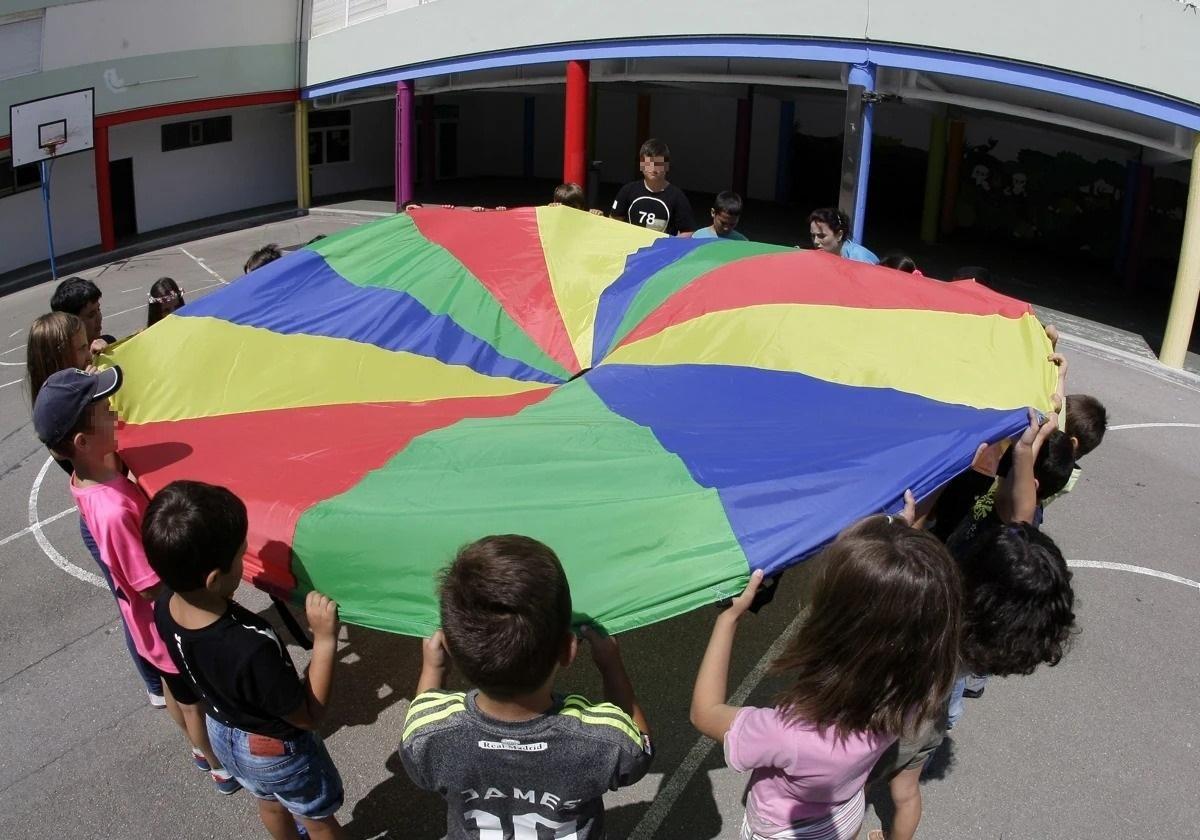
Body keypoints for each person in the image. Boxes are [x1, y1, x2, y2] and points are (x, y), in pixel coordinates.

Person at [691, 493, 962, 840]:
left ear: (834, 623)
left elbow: (704, 712)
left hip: (782, 832)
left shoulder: (790, 732)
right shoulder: (915, 687)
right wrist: (900, 543)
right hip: (844, 812)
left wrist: (728, 619)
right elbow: (902, 615)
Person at [32, 368, 237, 792]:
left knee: (172, 687)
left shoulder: (91, 477)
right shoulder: (113, 509)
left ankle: (198, 751)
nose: (114, 413)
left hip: (145, 626)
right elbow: (149, 584)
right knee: (193, 701)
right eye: (104, 411)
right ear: (83, 443)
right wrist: (204, 595)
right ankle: (218, 764)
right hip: (162, 622)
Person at [401, 535, 653, 839]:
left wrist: (433, 668)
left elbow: (422, 712)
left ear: (452, 650)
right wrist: (611, 667)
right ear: (568, 650)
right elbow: (639, 748)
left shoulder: (428, 734)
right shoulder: (603, 738)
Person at [145, 481, 347, 840]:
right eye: (241, 556)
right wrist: (326, 640)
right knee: (316, 819)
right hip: (274, 750)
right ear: (213, 579)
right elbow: (308, 716)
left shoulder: (164, 607)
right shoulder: (249, 645)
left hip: (225, 735)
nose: (245, 561)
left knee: (269, 803)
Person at [868, 521, 1076, 840]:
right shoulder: (989, 644)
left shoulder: (936, 619)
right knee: (906, 793)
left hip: (890, 715)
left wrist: (901, 531)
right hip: (929, 721)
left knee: (853, 789)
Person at [25, 313, 165, 706]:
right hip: (109, 513)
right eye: (83, 345)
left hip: (109, 504)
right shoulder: (62, 413)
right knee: (135, 605)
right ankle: (158, 680)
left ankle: (163, 677)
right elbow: (151, 590)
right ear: (60, 356)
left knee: (133, 602)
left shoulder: (69, 399)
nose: (93, 347)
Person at [610, 138, 696, 235]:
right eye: (648, 163)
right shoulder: (628, 190)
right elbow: (614, 221)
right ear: (641, 165)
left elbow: (688, 231)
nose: (653, 169)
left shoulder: (677, 197)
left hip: (662, 249)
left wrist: (673, 247)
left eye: (658, 164)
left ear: (666, 166)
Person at [50, 276, 114, 355]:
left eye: (98, 309)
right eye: (91, 315)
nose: (99, 318)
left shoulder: (109, 342)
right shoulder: (66, 363)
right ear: (70, 324)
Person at [808, 208, 879, 264]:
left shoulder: (861, 260)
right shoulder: (821, 255)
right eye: (813, 235)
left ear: (839, 235)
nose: (815, 241)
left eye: (821, 236)